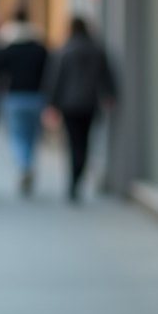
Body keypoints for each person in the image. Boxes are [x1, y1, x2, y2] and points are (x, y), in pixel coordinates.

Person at [43, 17, 117, 202]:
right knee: (84, 142)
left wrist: (51, 104)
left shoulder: (64, 51)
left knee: (73, 142)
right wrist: (110, 96)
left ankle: (73, 181)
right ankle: (79, 178)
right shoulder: (96, 50)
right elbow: (106, 76)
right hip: (89, 103)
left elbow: (56, 79)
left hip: (69, 105)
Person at [0, 8, 48, 194]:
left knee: (17, 135)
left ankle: (23, 165)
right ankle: (28, 163)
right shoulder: (39, 48)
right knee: (32, 136)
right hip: (36, 96)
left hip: (14, 96)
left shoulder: (7, 48)